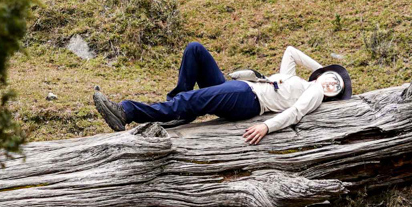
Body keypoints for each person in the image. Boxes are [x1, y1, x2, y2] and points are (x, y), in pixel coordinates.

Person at [92, 42, 352, 144]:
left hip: (248, 99)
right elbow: (291, 51)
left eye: (335, 88)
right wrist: (323, 69)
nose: (331, 84)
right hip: (242, 90)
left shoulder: (314, 93)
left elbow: (295, 113)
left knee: (192, 99)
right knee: (195, 50)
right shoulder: (298, 79)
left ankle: (125, 112)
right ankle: (178, 111)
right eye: (332, 79)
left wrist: (267, 127)